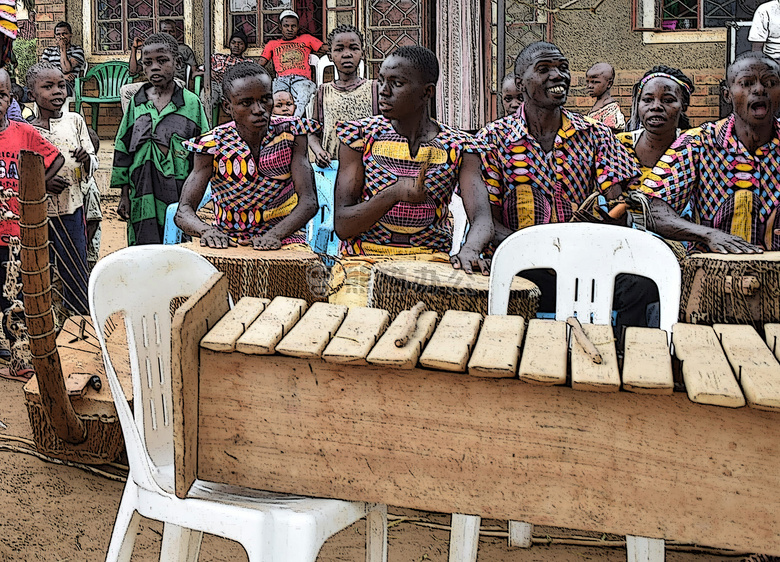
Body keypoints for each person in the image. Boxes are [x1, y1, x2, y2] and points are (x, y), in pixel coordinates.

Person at [478, 42, 648, 337]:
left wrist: (609, 218)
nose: (558, 76)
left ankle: (621, 357)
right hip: (523, 264)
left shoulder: (596, 135)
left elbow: (618, 204)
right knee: (486, 288)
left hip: (586, 263)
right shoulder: (493, 139)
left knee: (641, 287)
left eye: (563, 68)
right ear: (520, 84)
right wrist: (541, 246)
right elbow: (487, 219)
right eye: (544, 70)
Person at [332, 45, 493, 307]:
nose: (383, 91)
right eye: (381, 80)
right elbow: (342, 225)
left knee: (446, 327)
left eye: (396, 83)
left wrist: (470, 250)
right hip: (364, 261)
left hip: (431, 261)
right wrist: (394, 193)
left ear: (426, 92)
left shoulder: (460, 146)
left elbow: (482, 217)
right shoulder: (359, 137)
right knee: (356, 323)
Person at [645, 51, 780, 254]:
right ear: (727, 94)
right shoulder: (697, 143)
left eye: (770, 83)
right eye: (746, 83)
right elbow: (652, 209)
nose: (759, 89)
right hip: (712, 277)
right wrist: (708, 235)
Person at [175, 62, 319, 250]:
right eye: (246, 102)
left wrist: (274, 234)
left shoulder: (291, 133)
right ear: (227, 106)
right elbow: (183, 211)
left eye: (266, 99)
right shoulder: (212, 144)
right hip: (227, 241)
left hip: (285, 238)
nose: (259, 109)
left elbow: (309, 201)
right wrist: (207, 231)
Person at [112, 33, 208, 246]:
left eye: (162, 61)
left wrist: (194, 200)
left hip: (177, 191)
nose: (155, 67)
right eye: (148, 63)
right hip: (140, 191)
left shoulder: (191, 104)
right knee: (142, 248)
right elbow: (123, 148)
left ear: (178, 63)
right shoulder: (136, 103)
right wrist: (124, 195)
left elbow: (204, 153)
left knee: (176, 245)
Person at [0, 68, 64, 373]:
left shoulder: (22, 133)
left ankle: (19, 356)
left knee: (15, 298)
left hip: (13, 234)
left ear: (10, 98)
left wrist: (36, 189)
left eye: (1, 96)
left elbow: (56, 158)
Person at [27, 62, 97, 315]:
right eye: (48, 87)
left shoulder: (75, 121)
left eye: (61, 85)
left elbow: (93, 159)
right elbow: (23, 170)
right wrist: (42, 183)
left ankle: (77, 312)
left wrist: (87, 159)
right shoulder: (26, 129)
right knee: (38, 264)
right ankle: (42, 315)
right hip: (37, 215)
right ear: (31, 94)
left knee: (75, 263)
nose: (57, 91)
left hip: (72, 207)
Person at [615, 65, 694, 235]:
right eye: (648, 100)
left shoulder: (693, 148)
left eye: (667, 100)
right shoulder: (619, 146)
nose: (656, 106)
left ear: (684, 105)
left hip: (681, 241)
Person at [308, 24, 378, 167]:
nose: (347, 54)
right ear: (330, 56)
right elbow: (312, 133)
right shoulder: (323, 92)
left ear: (362, 53)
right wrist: (318, 151)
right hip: (332, 169)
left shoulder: (374, 89)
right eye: (339, 49)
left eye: (353, 48)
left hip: (368, 169)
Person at [257, 10, 328, 117]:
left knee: (302, 98)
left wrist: (334, 51)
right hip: (281, 80)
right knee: (276, 99)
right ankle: (279, 124)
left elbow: (325, 48)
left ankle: (294, 122)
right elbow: (260, 63)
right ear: (280, 27)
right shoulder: (272, 44)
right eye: (286, 26)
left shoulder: (306, 39)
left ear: (298, 27)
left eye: (293, 26)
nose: (290, 29)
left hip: (302, 80)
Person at [202, 29, 252, 122]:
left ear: (245, 46)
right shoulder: (218, 57)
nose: (236, 46)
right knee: (208, 99)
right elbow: (199, 70)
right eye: (233, 42)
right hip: (215, 85)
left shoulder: (247, 63)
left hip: (233, 88)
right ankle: (206, 128)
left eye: (240, 43)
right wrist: (209, 72)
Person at [128, 19, 198, 85]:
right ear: (160, 32)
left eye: (171, 31)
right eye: (165, 31)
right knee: (126, 90)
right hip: (152, 82)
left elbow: (193, 72)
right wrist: (134, 48)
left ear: (175, 33)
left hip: (174, 82)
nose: (168, 34)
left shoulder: (184, 49)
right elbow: (133, 71)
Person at [40, 22, 85, 95]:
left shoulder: (77, 50)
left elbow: (66, 69)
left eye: (64, 34)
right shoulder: (48, 51)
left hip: (66, 85)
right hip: (48, 84)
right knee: (22, 91)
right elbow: (44, 71)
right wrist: (62, 76)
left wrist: (62, 49)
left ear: (70, 35)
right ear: (55, 36)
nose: (61, 37)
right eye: (58, 34)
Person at [586, 62, 626, 132]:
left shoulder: (610, 110)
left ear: (609, 84)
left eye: (595, 82)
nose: (590, 86)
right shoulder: (600, 105)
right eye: (588, 82)